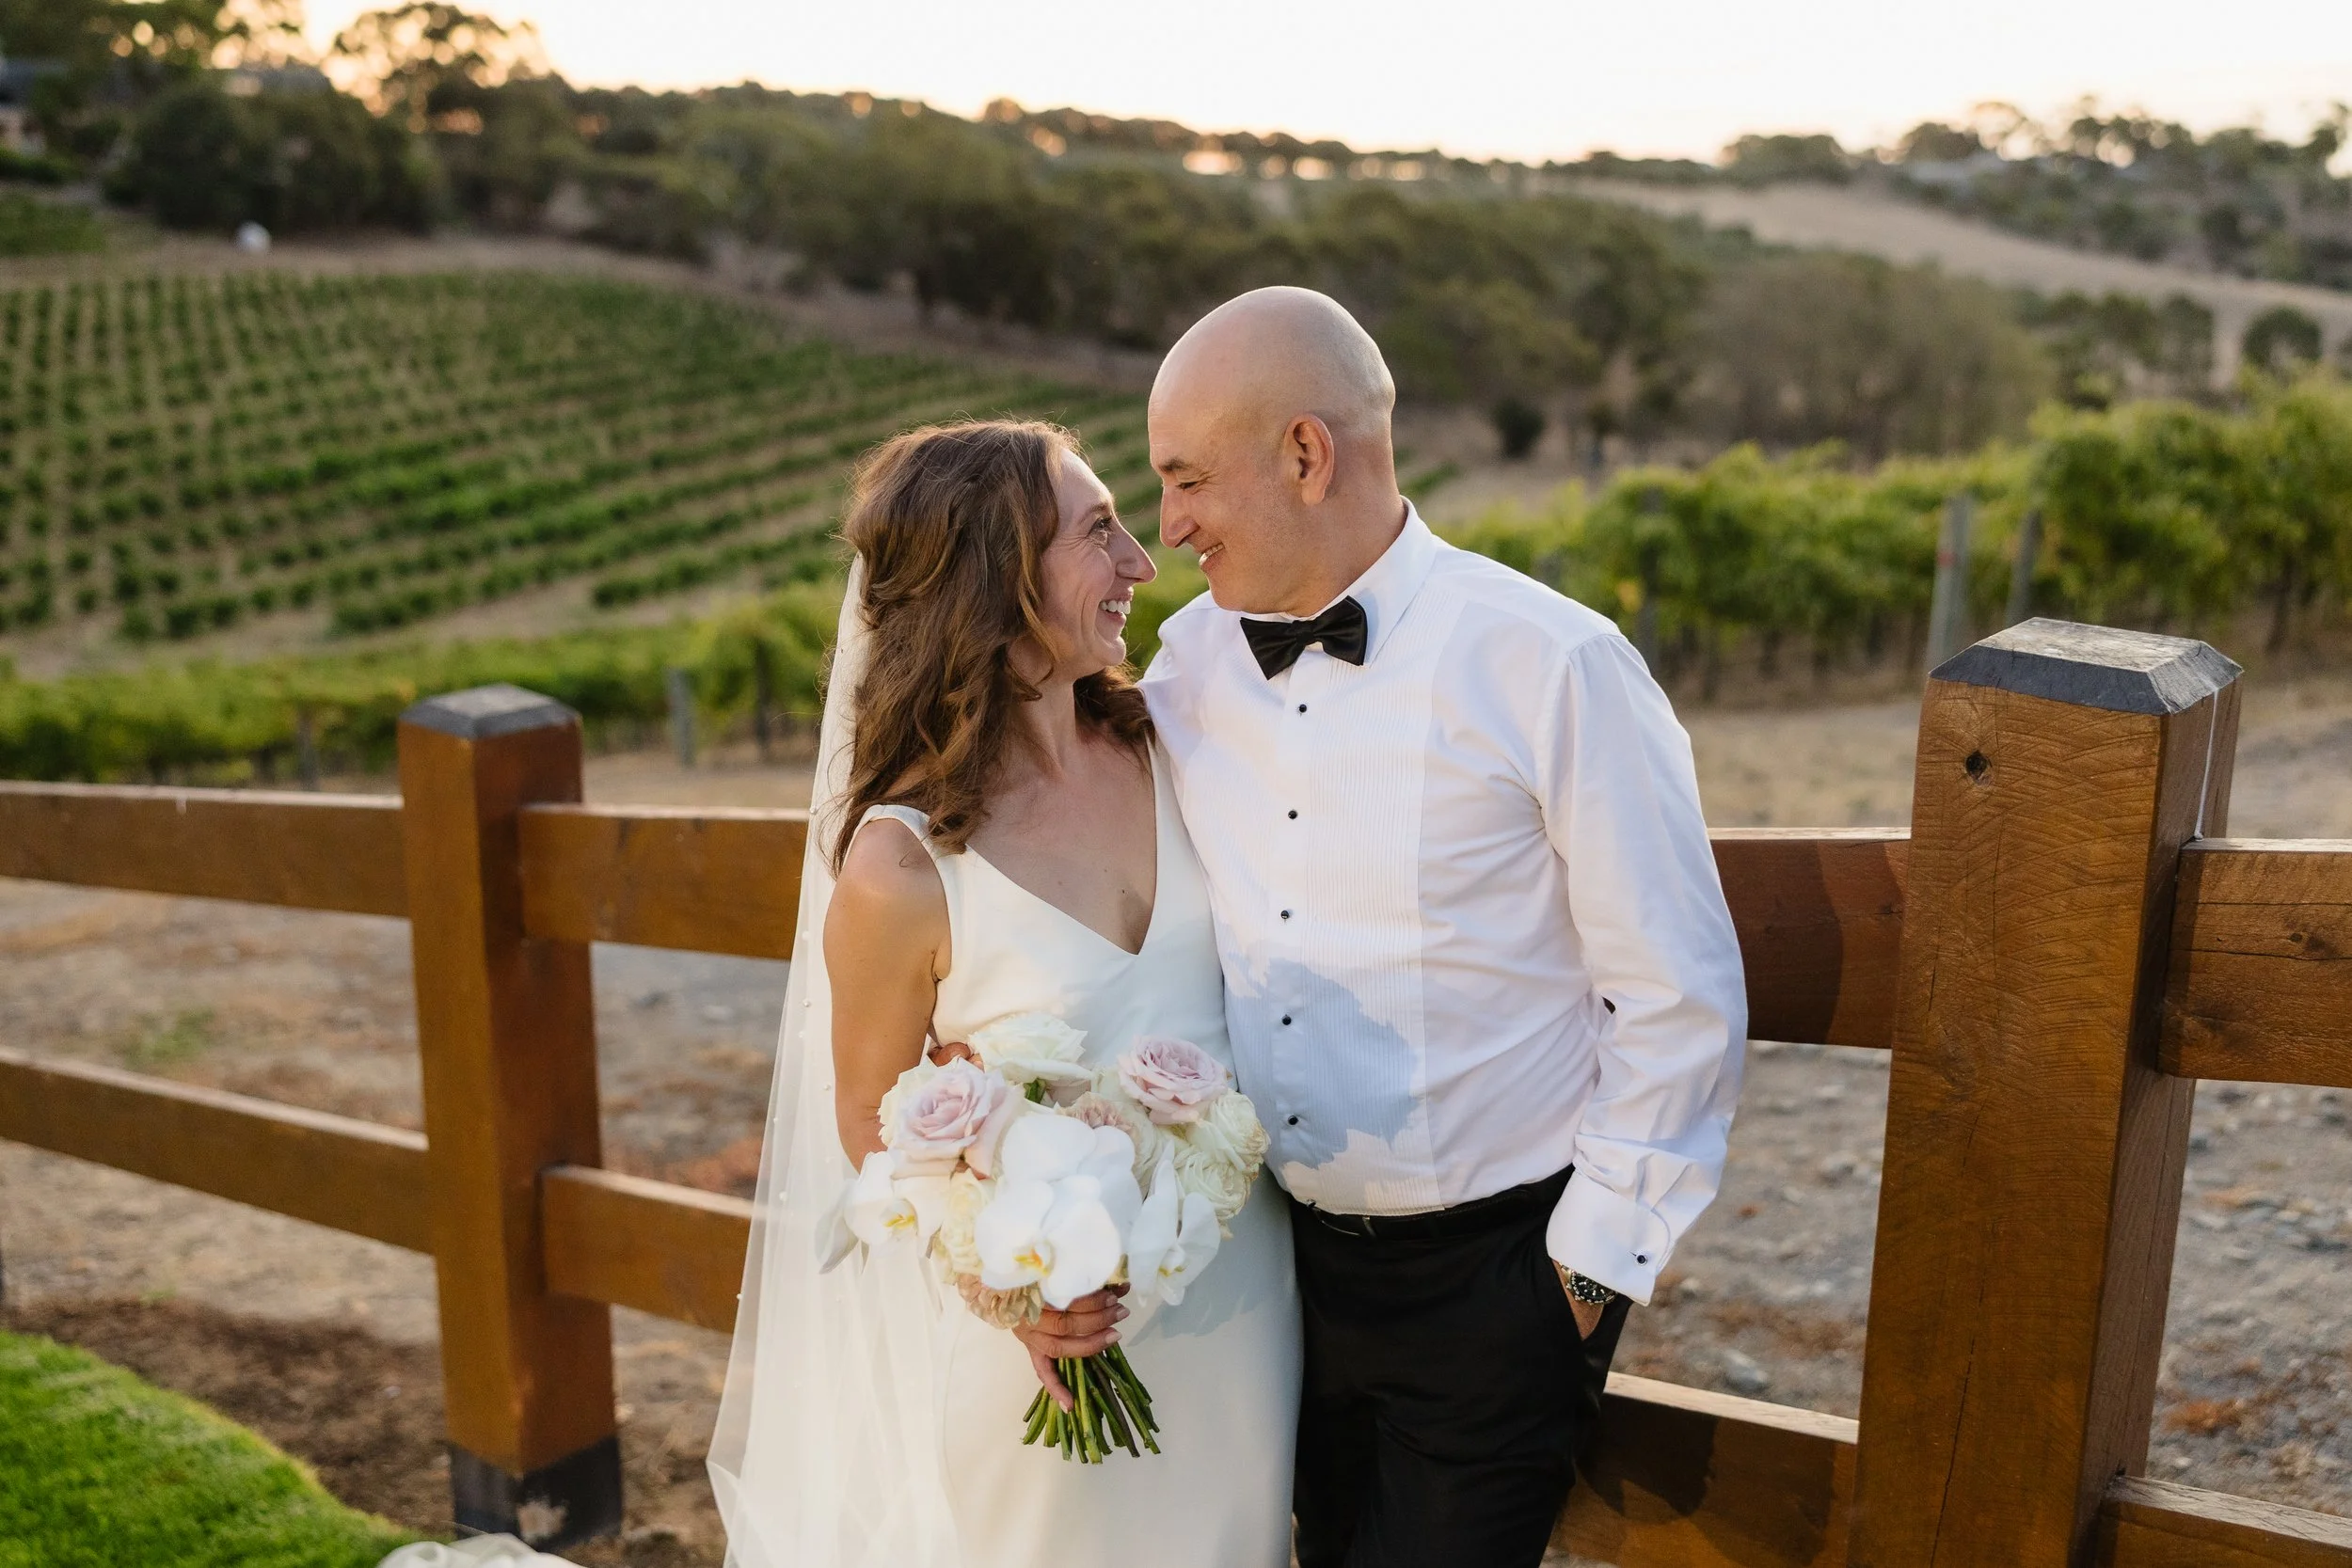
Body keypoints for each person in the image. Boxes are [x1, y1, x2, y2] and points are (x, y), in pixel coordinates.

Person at [1141, 287, 1747, 1568]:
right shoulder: (1183, 671)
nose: (1168, 524)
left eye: (1188, 479)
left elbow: (1676, 990)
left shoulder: (1553, 662)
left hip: (1500, 1283)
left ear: (1307, 455)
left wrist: (1583, 1276)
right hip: (1274, 1274)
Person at [708, 420, 1301, 1568]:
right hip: (1058, 1346)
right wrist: (1012, 1292)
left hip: (1242, 1306)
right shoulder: (901, 868)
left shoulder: (1177, 753)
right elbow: (871, 1123)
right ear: (993, 576)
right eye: (1097, 532)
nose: (1141, 559)